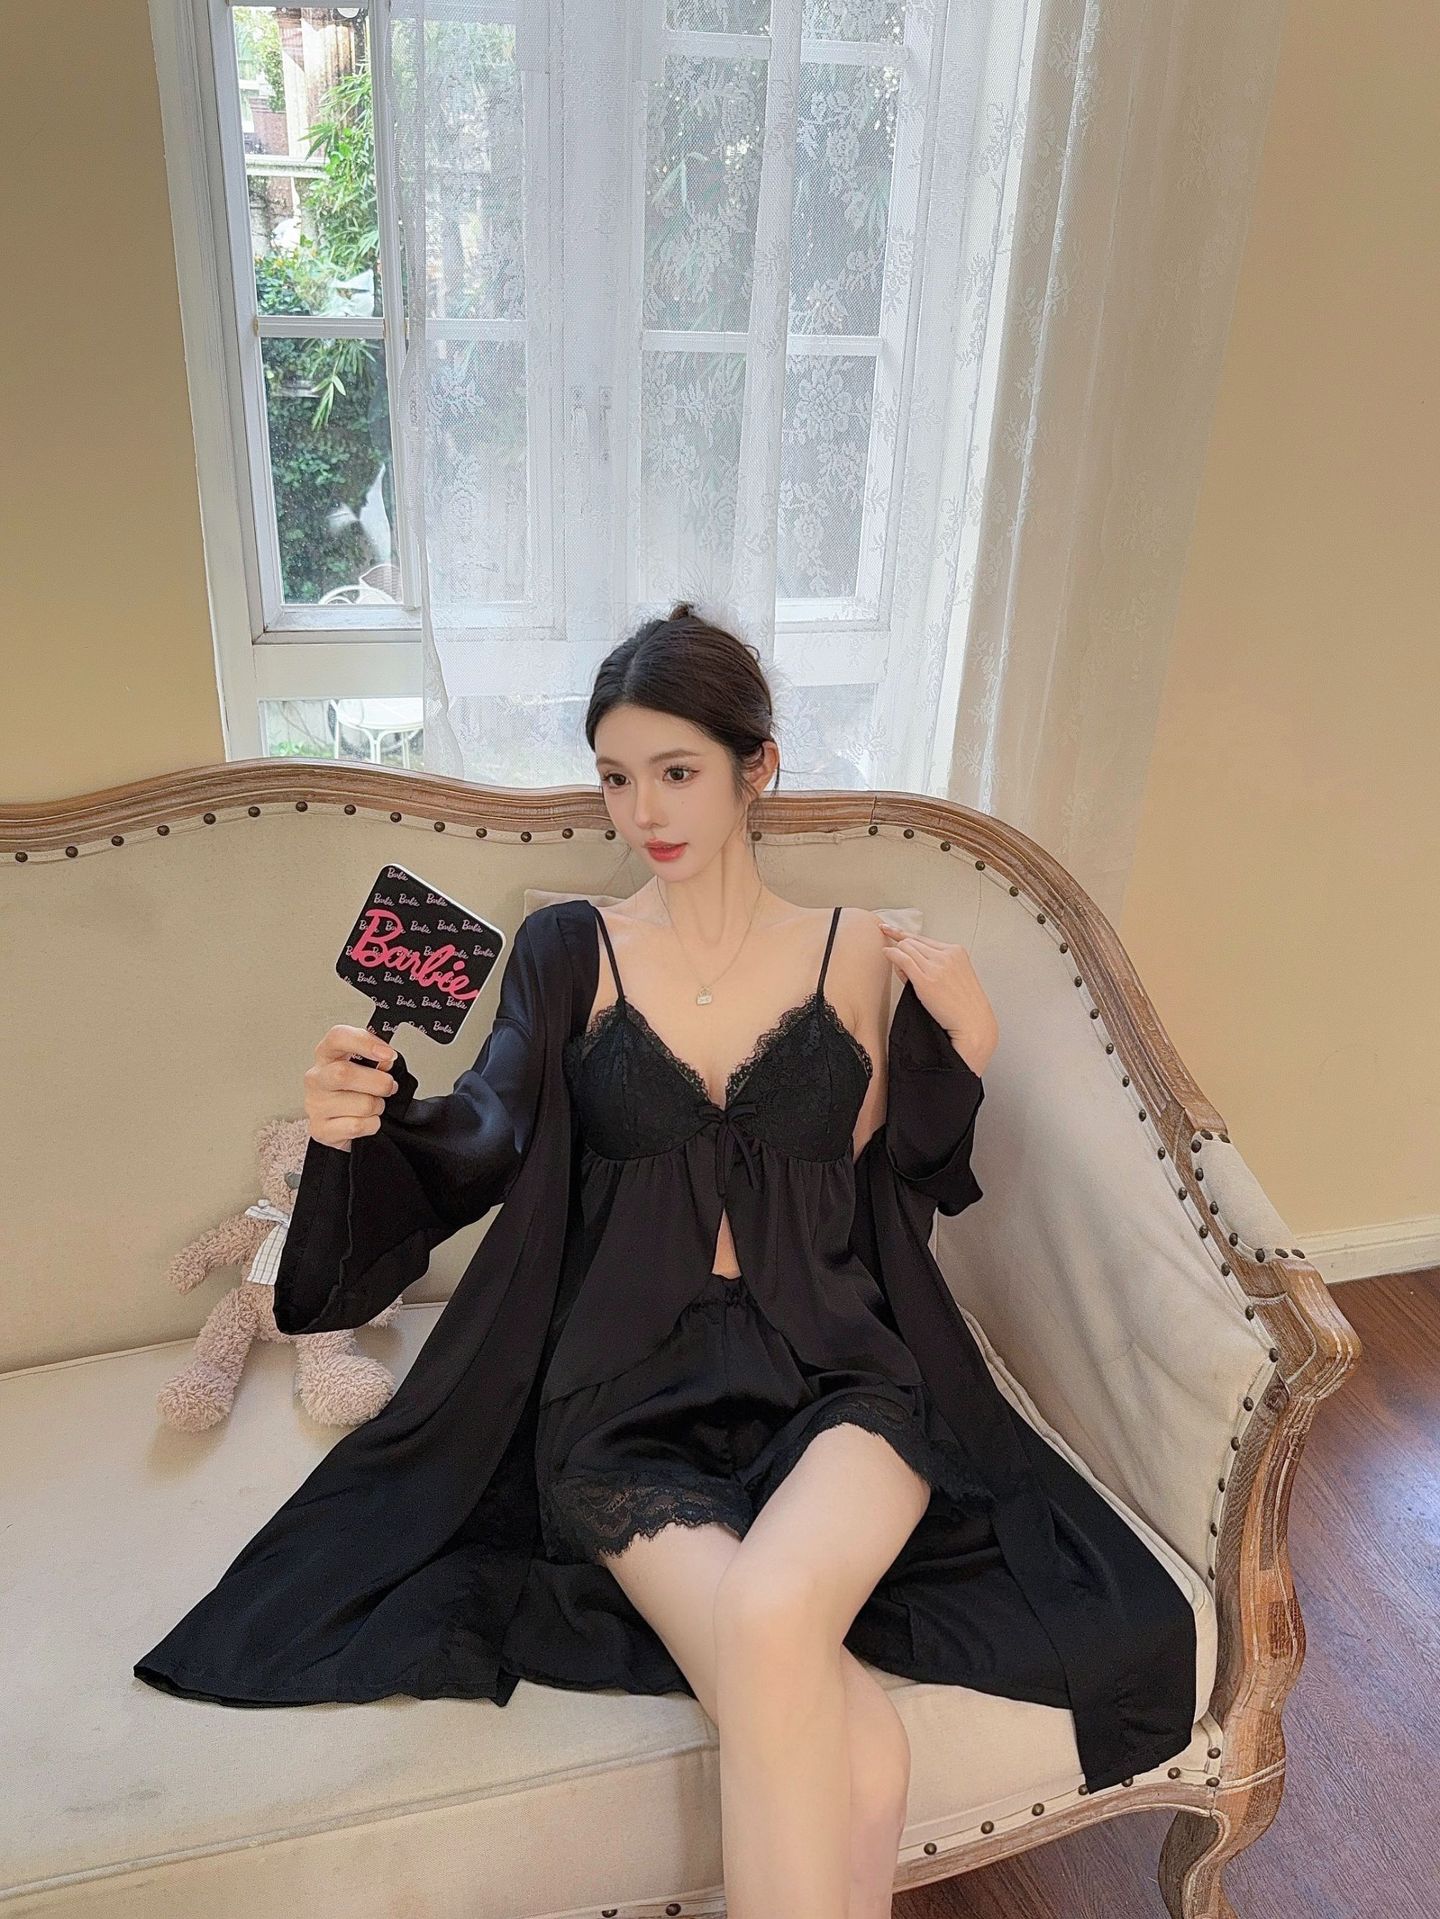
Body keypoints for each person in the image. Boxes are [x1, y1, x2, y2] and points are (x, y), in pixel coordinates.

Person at [135, 603, 1199, 1918]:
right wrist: (366, 1121)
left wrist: (962, 1051)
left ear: (758, 768)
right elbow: (482, 1133)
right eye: (616, 776)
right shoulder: (567, 951)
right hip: (623, 1403)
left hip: (844, 1379)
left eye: (678, 771)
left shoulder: (860, 954)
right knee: (858, 1743)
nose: (644, 810)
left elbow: (909, 1185)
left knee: (770, 1626)